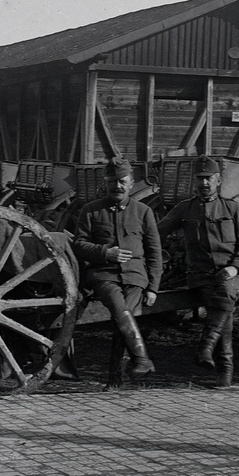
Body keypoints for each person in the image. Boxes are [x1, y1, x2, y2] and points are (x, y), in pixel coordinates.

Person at [158, 158, 239, 387]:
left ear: (218, 181)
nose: (205, 183)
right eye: (200, 179)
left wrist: (234, 268)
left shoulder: (232, 208)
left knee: (223, 295)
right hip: (202, 274)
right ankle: (224, 369)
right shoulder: (185, 208)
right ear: (195, 181)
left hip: (235, 272)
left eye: (209, 179)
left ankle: (206, 348)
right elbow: (157, 232)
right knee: (222, 307)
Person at [71, 158, 162, 385]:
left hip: (135, 277)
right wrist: (105, 253)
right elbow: (79, 244)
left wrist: (152, 287)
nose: (117, 186)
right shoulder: (91, 211)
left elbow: (154, 252)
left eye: (122, 181)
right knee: (122, 312)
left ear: (131, 183)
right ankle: (141, 359)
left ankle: (115, 378)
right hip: (104, 276)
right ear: (106, 183)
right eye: (112, 182)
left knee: (122, 320)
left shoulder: (143, 212)